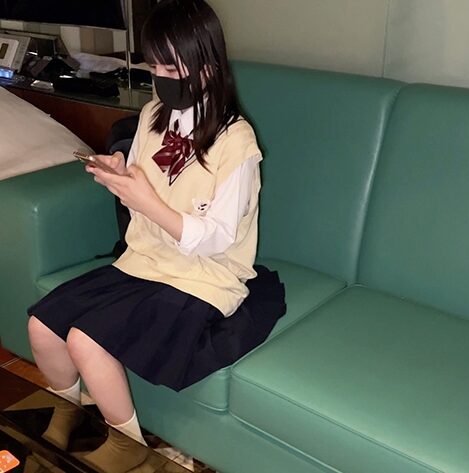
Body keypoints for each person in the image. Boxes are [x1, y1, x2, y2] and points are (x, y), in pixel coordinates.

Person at [26, 0, 286, 472]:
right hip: (145, 258)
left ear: (208, 67)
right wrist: (121, 177)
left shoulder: (237, 143)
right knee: (42, 326)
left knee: (85, 340)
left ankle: (127, 446)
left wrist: (147, 202)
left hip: (203, 275)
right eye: (154, 66)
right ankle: (69, 409)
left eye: (171, 68)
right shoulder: (152, 116)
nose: (160, 78)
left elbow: (217, 239)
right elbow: (141, 199)